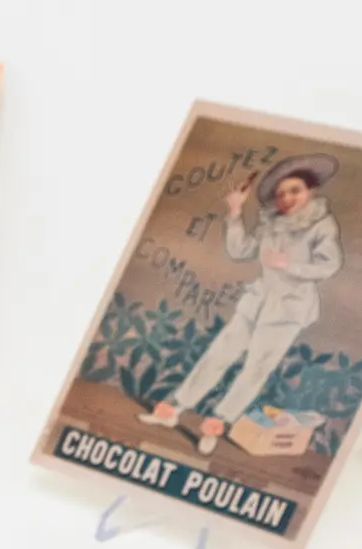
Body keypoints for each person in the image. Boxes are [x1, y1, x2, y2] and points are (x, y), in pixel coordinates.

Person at [139, 154, 344, 455]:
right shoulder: (271, 222)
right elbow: (240, 250)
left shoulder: (321, 225)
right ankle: (173, 409)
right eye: (281, 193)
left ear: (310, 191)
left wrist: (289, 265)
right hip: (257, 301)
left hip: (289, 309)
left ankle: (216, 423)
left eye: (295, 191)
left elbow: (330, 265)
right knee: (220, 353)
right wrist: (235, 212)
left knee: (255, 369)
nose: (287, 198)